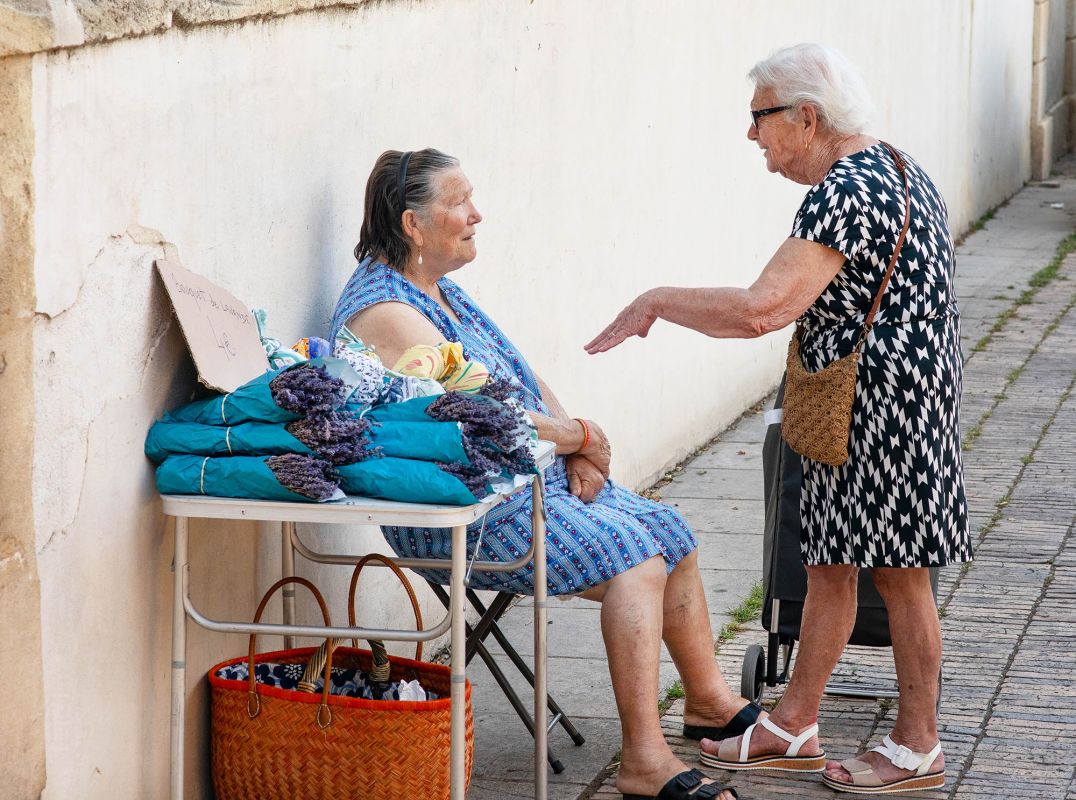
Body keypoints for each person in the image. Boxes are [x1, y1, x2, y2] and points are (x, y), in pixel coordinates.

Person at [585, 43, 970, 796]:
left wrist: (658, 300)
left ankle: (918, 743)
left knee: (899, 577)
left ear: (807, 116)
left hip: (879, 409)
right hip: (873, 400)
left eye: (759, 117)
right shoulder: (893, 166)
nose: (752, 135)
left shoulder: (847, 189)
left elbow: (764, 308)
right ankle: (793, 724)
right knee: (829, 564)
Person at [330, 148, 750, 800]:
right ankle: (644, 760)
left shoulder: (437, 288)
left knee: (668, 528)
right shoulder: (388, 314)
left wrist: (575, 440)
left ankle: (709, 703)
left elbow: (519, 377)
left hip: (517, 482)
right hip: (462, 511)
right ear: (413, 225)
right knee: (636, 559)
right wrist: (580, 436)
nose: (478, 214)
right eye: (460, 202)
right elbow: (481, 412)